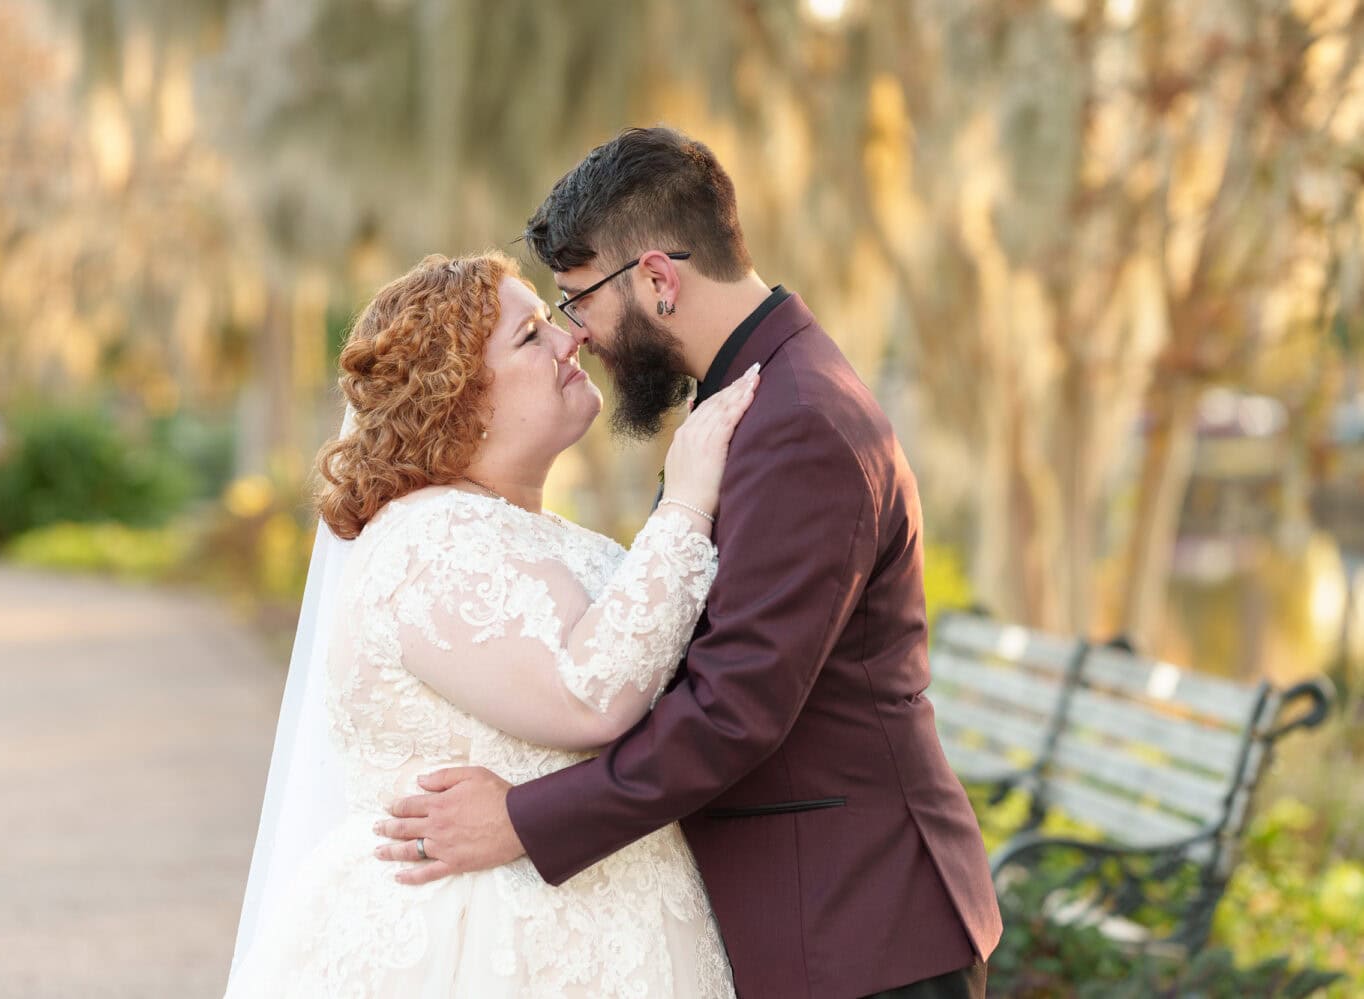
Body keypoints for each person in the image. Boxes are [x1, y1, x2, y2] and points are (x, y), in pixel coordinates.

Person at [376, 128, 1003, 998]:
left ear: (658, 280)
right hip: (823, 916)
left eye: (578, 301)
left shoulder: (797, 424)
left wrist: (521, 820)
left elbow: (733, 709)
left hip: (857, 926)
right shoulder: (759, 395)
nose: (579, 337)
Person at [225, 250, 759, 997]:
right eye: (531, 335)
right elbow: (591, 692)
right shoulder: (427, 541)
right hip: (477, 952)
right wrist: (688, 500)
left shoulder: (545, 537)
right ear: (460, 397)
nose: (570, 340)